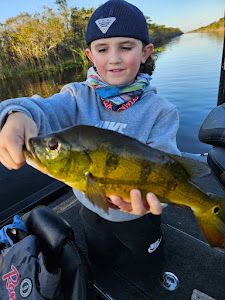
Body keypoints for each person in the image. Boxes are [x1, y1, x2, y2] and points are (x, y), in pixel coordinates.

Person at [0, 0, 180, 282]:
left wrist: (154, 200)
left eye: (125, 47)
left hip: (140, 216)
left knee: (146, 258)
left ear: (145, 52)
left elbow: (168, 169)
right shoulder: (76, 97)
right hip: (91, 209)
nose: (114, 58)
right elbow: (41, 108)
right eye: (103, 49)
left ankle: (150, 278)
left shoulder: (162, 111)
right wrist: (16, 114)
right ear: (89, 55)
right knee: (99, 254)